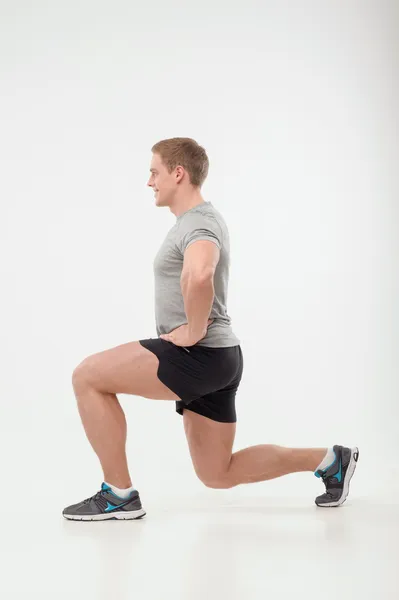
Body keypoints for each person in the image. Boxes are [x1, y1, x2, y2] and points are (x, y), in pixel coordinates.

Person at [63, 137, 359, 521]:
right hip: (220, 358)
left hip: (198, 354)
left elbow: (200, 273)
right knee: (218, 473)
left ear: (178, 173)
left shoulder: (200, 223)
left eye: (155, 172)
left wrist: (192, 331)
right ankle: (331, 461)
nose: (149, 181)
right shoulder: (197, 221)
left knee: (88, 376)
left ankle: (118, 494)